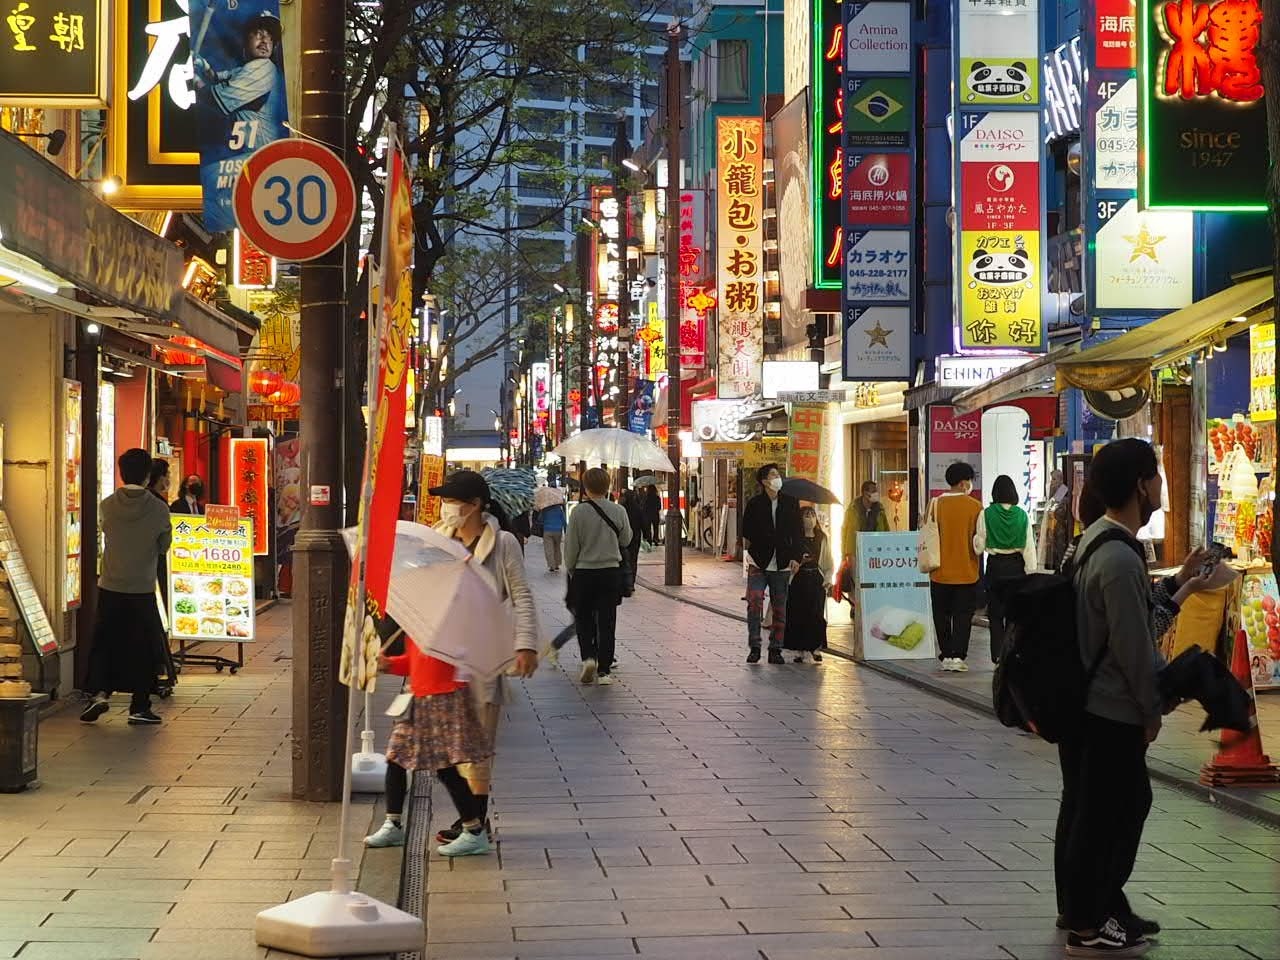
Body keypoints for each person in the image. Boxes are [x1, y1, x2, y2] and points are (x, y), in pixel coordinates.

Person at [1057, 439, 1216, 956]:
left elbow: (1135, 619)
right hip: (1109, 707)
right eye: (1157, 476)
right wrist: (1152, 709)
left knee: (1095, 811)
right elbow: (1133, 647)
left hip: (1087, 703)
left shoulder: (1096, 540)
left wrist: (1182, 583)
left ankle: (1098, 909)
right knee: (1112, 815)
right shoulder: (1120, 558)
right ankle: (1090, 924)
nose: (1163, 485)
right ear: (1140, 486)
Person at [364, 470, 538, 855]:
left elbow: (521, 594)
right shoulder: (438, 537)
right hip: (436, 656)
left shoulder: (503, 542)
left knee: (475, 747)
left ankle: (475, 821)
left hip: (479, 656)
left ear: (475, 505)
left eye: (453, 500)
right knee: (442, 750)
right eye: (445, 500)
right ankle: (465, 821)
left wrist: (525, 645)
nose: (447, 507)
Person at [80, 449, 174, 726]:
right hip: (142, 587)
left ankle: (99, 693)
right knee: (142, 646)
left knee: (105, 641)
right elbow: (163, 546)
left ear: (122, 473)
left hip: (110, 585)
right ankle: (139, 706)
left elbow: (103, 532)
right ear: (147, 476)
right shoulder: (159, 508)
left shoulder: (107, 505)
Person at [564, 467, 632, 685]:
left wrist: (572, 569)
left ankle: (588, 658)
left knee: (584, 618)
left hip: (584, 572)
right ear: (607, 486)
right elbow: (626, 539)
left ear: (585, 487)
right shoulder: (618, 510)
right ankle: (604, 670)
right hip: (610, 572)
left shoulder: (578, 512)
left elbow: (571, 546)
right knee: (607, 621)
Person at [741, 463, 803, 664]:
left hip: (783, 562)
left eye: (778, 474)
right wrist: (765, 537)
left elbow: (798, 532)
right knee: (754, 602)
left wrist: (796, 556)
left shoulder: (790, 503)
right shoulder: (754, 504)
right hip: (759, 561)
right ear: (764, 481)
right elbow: (746, 530)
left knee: (779, 607)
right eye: (773, 475)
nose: (778, 478)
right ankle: (755, 646)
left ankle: (776, 648)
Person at [974, 474, 1038, 664]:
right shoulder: (1022, 515)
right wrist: (1031, 573)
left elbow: (979, 546)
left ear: (995, 492)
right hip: (1017, 568)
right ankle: (1011, 654)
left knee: (995, 615)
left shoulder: (986, 513)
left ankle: (997, 655)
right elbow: (1029, 548)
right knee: (1014, 615)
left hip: (995, 567)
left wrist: (976, 541)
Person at [928, 462, 982, 672]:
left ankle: (946, 655)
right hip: (966, 572)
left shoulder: (935, 504)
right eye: (969, 481)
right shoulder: (975, 507)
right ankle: (958, 656)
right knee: (962, 616)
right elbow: (979, 542)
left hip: (939, 571)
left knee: (941, 615)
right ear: (962, 483)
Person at [786, 506, 831, 663]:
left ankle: (816, 647)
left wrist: (828, 578)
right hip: (799, 578)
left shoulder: (822, 537)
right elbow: (790, 560)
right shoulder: (795, 538)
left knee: (816, 613)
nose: (810, 518)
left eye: (812, 515)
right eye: (806, 515)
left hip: (816, 578)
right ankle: (799, 650)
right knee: (798, 613)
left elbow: (827, 560)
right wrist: (800, 561)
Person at [841, 480, 889, 561]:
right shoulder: (853, 509)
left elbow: (886, 530)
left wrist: (887, 550)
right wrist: (844, 555)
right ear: (865, 493)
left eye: (876, 491)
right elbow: (845, 531)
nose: (876, 494)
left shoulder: (880, 510)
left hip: (877, 552)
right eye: (873, 491)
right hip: (856, 553)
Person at [539, 497, 567, 573]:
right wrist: (566, 530)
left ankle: (552, 566)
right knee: (557, 547)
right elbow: (563, 520)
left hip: (547, 530)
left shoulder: (544, 509)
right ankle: (557, 564)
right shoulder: (559, 509)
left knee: (549, 549)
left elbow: (540, 520)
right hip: (558, 530)